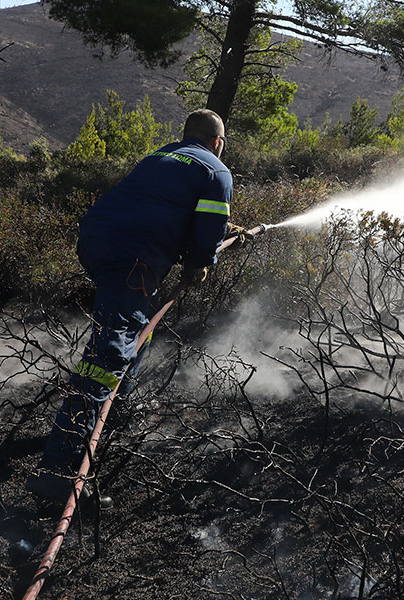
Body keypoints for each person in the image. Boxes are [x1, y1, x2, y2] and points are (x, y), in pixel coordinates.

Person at [28, 109, 252, 500]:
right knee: (108, 356)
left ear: (186, 135)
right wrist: (201, 264)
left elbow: (158, 207)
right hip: (133, 260)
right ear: (218, 142)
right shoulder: (216, 171)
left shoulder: (160, 155)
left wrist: (216, 236)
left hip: (96, 242)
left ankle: (113, 413)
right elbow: (203, 241)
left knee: (136, 331)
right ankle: (58, 468)